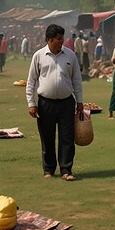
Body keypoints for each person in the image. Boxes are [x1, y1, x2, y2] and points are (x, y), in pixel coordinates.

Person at [26, 24, 84, 181]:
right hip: (45, 103)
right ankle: (49, 170)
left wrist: (80, 102)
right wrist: (31, 103)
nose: (61, 41)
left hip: (67, 102)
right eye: (58, 39)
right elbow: (31, 81)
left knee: (67, 137)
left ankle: (66, 170)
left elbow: (77, 80)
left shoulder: (70, 55)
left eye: (62, 38)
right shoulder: (39, 56)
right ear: (49, 39)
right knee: (47, 137)